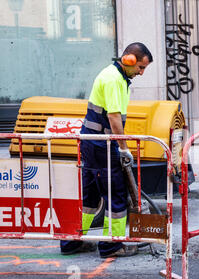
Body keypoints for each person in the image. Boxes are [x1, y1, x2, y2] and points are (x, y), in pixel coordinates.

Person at [60, 42, 152, 258]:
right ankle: (112, 245)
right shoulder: (114, 80)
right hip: (103, 144)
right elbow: (113, 117)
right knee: (115, 195)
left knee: (90, 196)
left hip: (91, 142)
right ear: (129, 60)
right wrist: (123, 147)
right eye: (140, 67)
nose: (141, 73)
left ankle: (71, 242)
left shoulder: (112, 75)